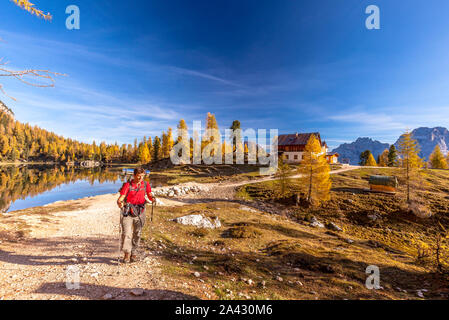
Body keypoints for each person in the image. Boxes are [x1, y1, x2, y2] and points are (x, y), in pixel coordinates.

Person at [117, 167, 155, 263]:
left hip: (140, 212)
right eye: (139, 176)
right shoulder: (128, 185)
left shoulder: (146, 184)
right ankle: (127, 253)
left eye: (142, 176)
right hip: (128, 212)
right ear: (134, 175)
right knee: (126, 234)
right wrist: (119, 202)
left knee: (137, 233)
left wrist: (152, 198)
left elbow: (149, 194)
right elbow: (122, 197)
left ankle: (134, 252)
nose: (140, 178)